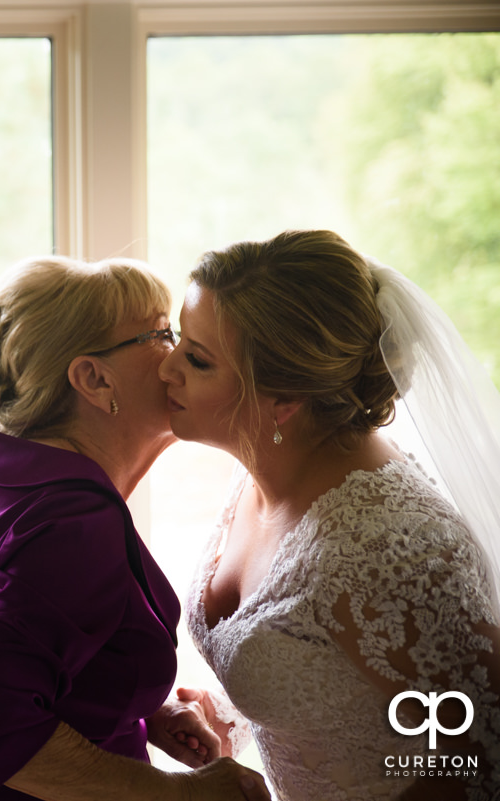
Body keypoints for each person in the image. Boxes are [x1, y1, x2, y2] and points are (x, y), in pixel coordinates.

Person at [0, 255, 269, 801]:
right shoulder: (72, 522)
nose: (181, 354)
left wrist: (139, 712)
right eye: (162, 334)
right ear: (93, 378)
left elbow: (17, 654)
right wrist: (182, 794)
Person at [158, 229, 500, 800]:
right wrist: (227, 715)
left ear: (283, 400)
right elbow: (341, 675)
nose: (166, 369)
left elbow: (478, 758)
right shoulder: (266, 466)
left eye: (195, 359)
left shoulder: (396, 550)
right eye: (176, 340)